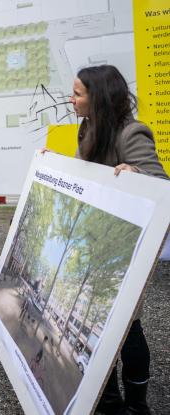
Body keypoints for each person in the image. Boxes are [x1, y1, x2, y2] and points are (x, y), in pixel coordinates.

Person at [68, 64, 168, 415]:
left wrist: (136, 173)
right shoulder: (88, 128)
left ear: (99, 99)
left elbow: (161, 184)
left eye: (78, 93)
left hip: (127, 248)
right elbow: (86, 175)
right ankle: (109, 401)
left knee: (129, 327)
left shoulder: (131, 133)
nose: (72, 99)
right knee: (101, 327)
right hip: (96, 244)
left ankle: (138, 406)